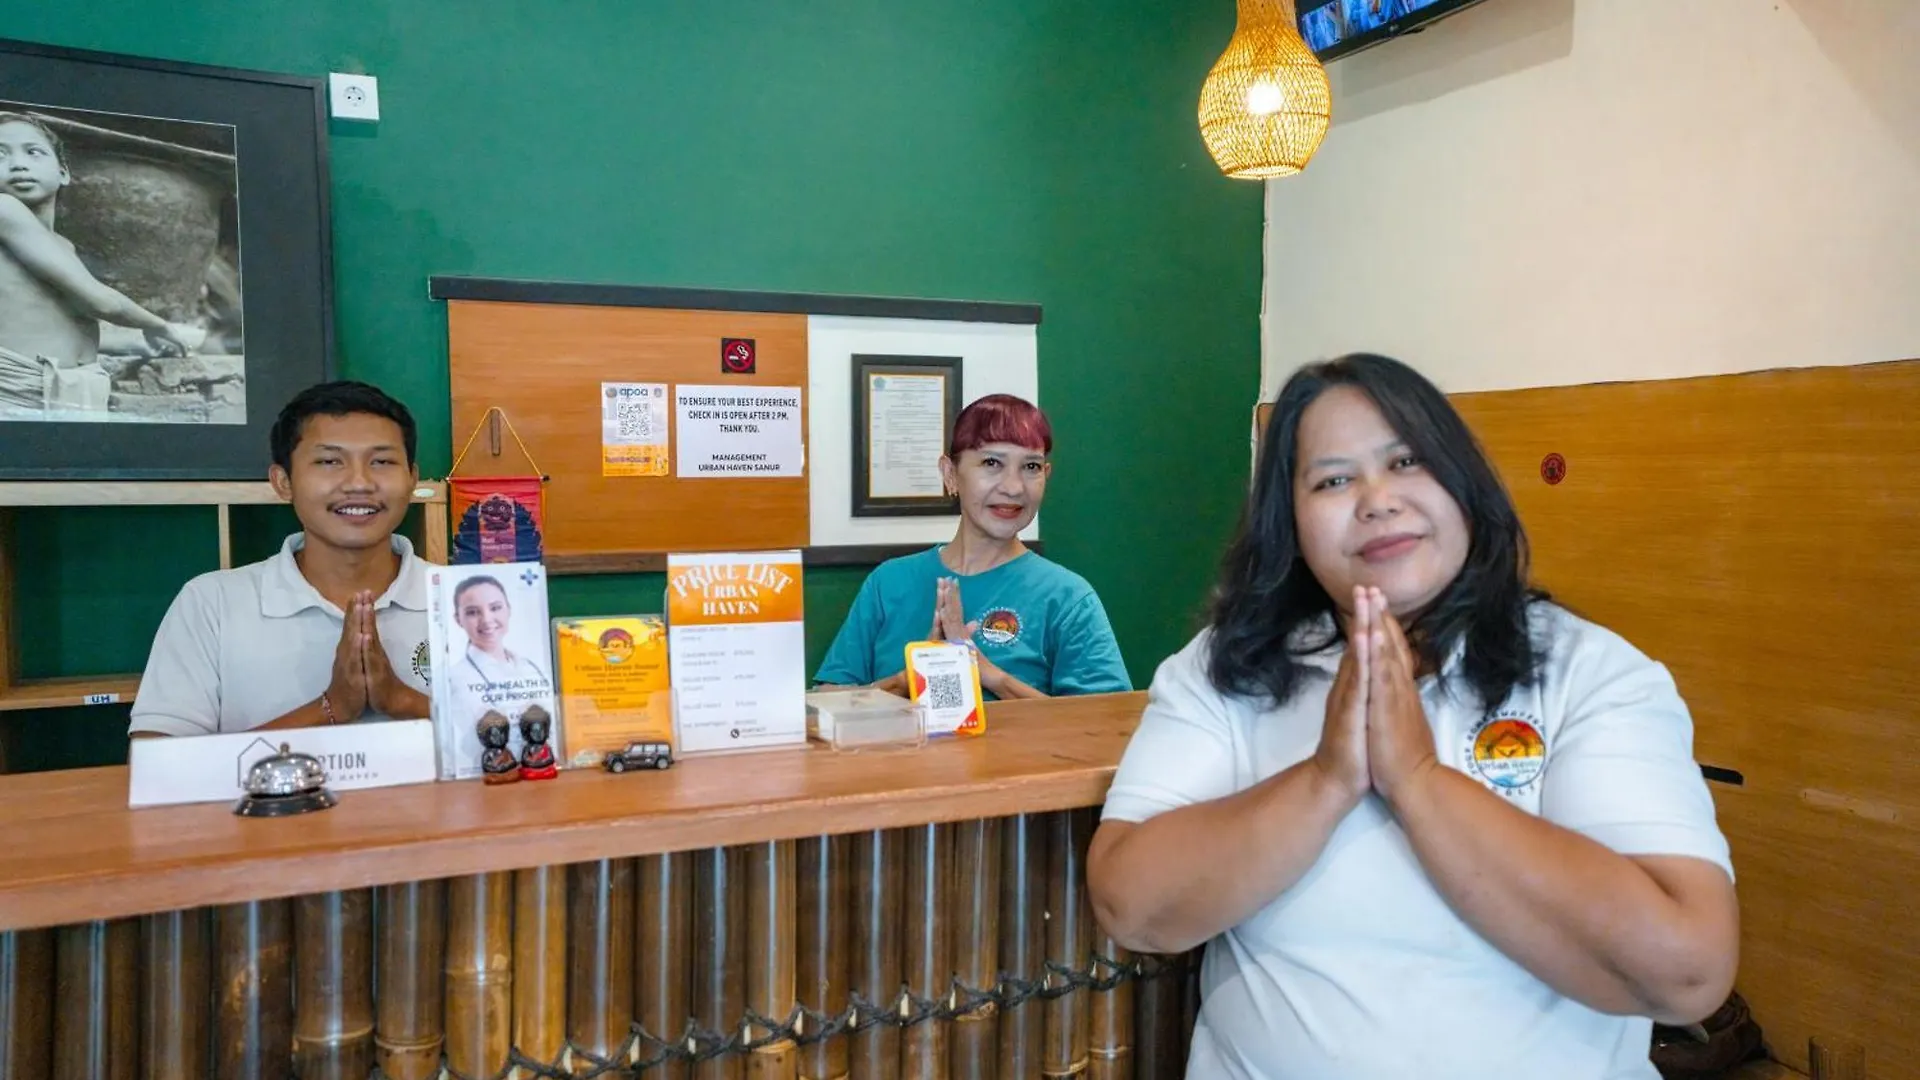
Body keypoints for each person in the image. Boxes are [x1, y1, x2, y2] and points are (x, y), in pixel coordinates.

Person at [1086, 354, 1738, 1079]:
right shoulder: (1226, 668)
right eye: (1332, 480)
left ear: (1464, 483)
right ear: (1289, 522)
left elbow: (1685, 974)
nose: (1376, 500)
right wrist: (1327, 779)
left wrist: (1418, 779)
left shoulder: (1589, 671)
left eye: (1406, 462)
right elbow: (1131, 908)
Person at [128, 381, 431, 737]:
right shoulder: (212, 604)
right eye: (329, 461)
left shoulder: (468, 599)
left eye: (381, 461)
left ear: (412, 479)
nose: (359, 483)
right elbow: (158, 759)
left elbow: (497, 738)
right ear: (283, 481)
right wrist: (332, 707)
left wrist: (402, 700)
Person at [813, 393, 1130, 700]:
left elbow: (1107, 721)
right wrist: (908, 679)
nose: (1013, 487)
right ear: (950, 474)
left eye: (1031, 467)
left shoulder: (1068, 597)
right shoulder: (888, 583)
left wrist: (989, 674)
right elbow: (827, 701)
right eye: (992, 462)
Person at [0, 112, 194, 417]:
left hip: (74, 392)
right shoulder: (4, 209)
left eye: (33, 152)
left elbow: (68, 320)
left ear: (63, 173)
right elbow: (101, 302)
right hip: (20, 395)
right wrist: (161, 325)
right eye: (0, 155)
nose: (18, 164)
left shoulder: (63, 246)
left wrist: (135, 342)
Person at [441, 572, 553, 768]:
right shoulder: (455, 678)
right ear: (458, 619)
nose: (487, 619)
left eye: (495, 608)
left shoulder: (531, 666)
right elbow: (462, 747)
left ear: (508, 609)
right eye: (473, 612)